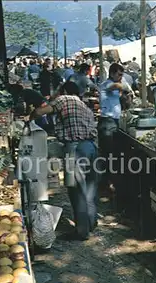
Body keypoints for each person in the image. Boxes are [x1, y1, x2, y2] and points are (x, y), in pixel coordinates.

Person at [30, 81, 98, 240]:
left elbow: (41, 111)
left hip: (76, 149)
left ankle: (82, 232)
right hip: (91, 147)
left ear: (64, 91)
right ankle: (91, 222)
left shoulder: (64, 99)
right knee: (89, 189)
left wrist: (31, 117)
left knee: (77, 191)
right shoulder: (83, 105)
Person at [99, 63, 130, 191]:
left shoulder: (116, 88)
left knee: (114, 153)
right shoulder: (106, 84)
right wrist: (127, 86)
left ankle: (110, 180)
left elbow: (123, 101)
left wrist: (126, 96)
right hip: (107, 122)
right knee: (108, 153)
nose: (120, 77)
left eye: (122, 75)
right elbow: (117, 86)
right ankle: (106, 183)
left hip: (114, 121)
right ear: (111, 73)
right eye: (119, 74)